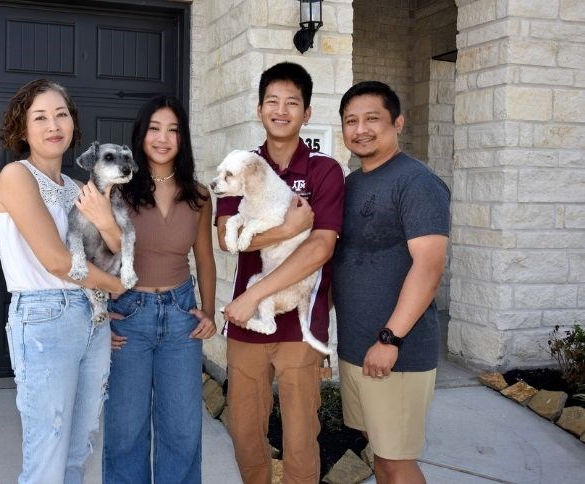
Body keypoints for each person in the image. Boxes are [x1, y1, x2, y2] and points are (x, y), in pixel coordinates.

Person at [216, 62, 345, 484]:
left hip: (298, 323)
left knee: (301, 435)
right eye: (272, 101)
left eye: (292, 102)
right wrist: (289, 228)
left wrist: (255, 293)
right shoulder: (241, 165)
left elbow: (321, 246)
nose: (281, 110)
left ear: (307, 113)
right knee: (244, 430)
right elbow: (226, 238)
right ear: (259, 109)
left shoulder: (324, 170)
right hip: (247, 324)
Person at [0, 79, 124, 484]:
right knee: (46, 455)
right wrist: (117, 289)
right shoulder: (17, 176)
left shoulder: (77, 189)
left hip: (91, 319)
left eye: (61, 114)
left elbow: (115, 248)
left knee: (76, 450)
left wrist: (105, 223)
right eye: (41, 117)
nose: (54, 125)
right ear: (23, 129)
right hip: (44, 319)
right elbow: (54, 259)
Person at [332, 81, 450, 484]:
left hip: (395, 350)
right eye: (351, 121)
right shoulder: (352, 184)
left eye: (372, 119)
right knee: (379, 451)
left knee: (397, 460)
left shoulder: (416, 182)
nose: (360, 129)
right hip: (356, 347)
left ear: (397, 122)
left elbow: (429, 267)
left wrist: (390, 339)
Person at [102, 94, 217, 484]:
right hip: (128, 315)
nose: (163, 138)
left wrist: (209, 310)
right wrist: (100, 314)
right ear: (141, 135)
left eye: (173, 129)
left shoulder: (199, 196)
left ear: (182, 138)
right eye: (154, 128)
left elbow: (205, 258)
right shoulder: (117, 190)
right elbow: (95, 254)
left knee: (182, 429)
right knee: (125, 429)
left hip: (181, 316)